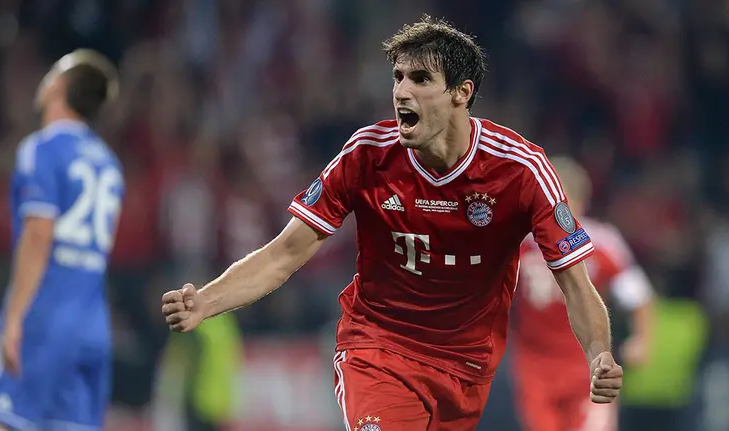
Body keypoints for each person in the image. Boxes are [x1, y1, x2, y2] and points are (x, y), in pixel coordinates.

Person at [161, 15, 622, 431]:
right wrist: (207, 301)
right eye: (398, 77)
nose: (403, 90)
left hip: (466, 369)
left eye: (421, 79)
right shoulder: (367, 155)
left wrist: (599, 353)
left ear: (463, 93)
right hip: (377, 349)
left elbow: (577, 286)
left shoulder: (521, 170)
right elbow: (284, 253)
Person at [0, 49, 123, 431]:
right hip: (91, 326)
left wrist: (14, 317)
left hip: (42, 321)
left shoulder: (41, 149)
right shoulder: (110, 165)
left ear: (56, 86)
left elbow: (39, 236)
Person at [510, 156, 656, 431]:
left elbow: (639, 296)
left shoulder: (601, 241)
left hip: (587, 364)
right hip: (535, 365)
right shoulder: (520, 241)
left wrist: (642, 340)